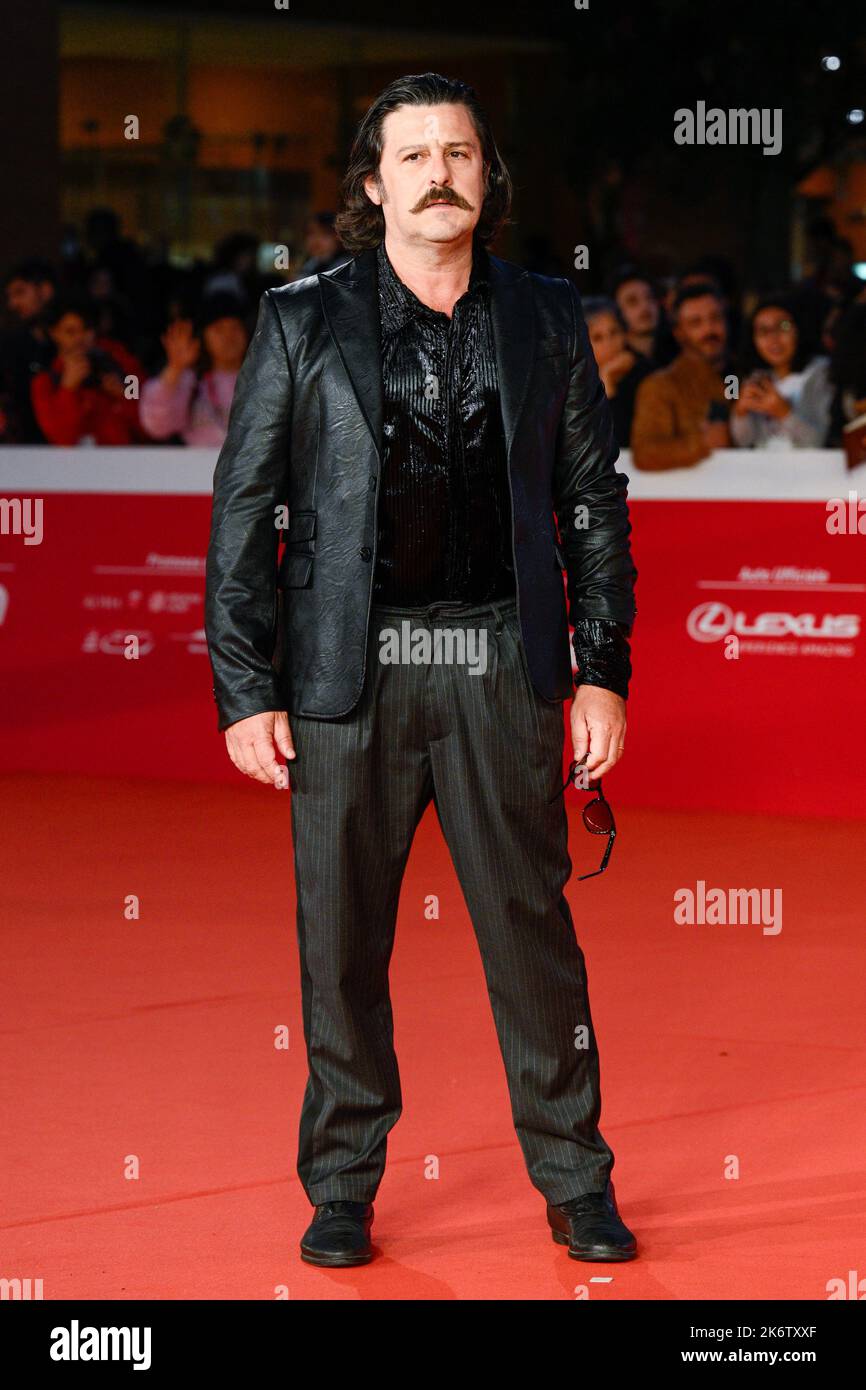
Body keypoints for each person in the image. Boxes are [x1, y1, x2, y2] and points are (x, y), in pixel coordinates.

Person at [205, 71, 639, 1269]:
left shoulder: (547, 315)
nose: (439, 171)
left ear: (486, 177)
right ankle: (340, 1184)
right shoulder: (301, 317)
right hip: (351, 671)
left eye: (459, 152)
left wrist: (599, 669)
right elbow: (244, 510)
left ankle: (574, 1177)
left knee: (529, 932)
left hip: (503, 657)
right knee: (340, 942)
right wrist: (247, 688)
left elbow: (590, 501)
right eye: (412, 156)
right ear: (371, 183)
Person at [630, 281, 730, 470]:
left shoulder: (742, 374)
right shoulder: (660, 385)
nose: (709, 329)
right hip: (692, 495)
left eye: (715, 318)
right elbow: (645, 453)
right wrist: (702, 443)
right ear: (679, 333)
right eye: (696, 323)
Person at [30, 295, 146, 446]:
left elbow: (149, 426)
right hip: (74, 467)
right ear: (54, 333)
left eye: (86, 330)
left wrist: (123, 397)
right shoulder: (44, 382)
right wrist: (68, 389)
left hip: (124, 463)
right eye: (70, 332)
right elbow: (62, 438)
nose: (80, 338)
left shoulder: (127, 368)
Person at [140, 295, 249, 447]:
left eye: (235, 327)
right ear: (203, 336)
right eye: (219, 329)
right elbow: (157, 426)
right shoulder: (191, 381)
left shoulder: (265, 379)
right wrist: (175, 369)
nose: (228, 336)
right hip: (198, 469)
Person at [731, 294, 832, 449]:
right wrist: (740, 413)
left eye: (783, 326)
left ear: (800, 329)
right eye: (763, 331)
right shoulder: (754, 378)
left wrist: (784, 413)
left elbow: (820, 442)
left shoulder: (823, 374)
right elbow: (744, 441)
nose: (774, 338)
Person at [583, 296, 653, 446]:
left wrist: (608, 382)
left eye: (614, 332)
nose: (609, 344)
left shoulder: (647, 375)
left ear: (625, 335)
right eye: (597, 338)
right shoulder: (575, 384)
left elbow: (620, 442)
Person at [0, 259, 57, 442]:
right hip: (22, 452)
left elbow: (133, 380)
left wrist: (125, 394)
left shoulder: (101, 346)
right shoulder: (9, 346)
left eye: (20, 292)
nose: (13, 304)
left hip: (95, 454)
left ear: (46, 290)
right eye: (9, 297)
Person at [609, 266, 676, 367]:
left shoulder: (677, 351)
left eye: (650, 297)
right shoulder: (615, 363)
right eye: (632, 301)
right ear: (617, 310)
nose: (645, 306)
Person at [295, 213, 351, 278]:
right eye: (311, 234)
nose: (315, 240)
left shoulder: (345, 267)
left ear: (338, 237)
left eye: (324, 234)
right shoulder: (312, 262)